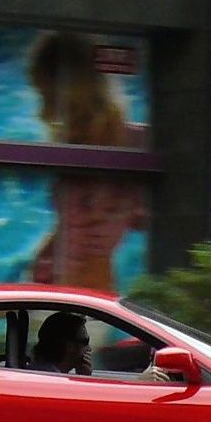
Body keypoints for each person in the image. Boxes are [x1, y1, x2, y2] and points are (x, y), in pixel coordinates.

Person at [26, 32, 148, 292]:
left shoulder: (123, 148)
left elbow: (93, 243)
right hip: (70, 287)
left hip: (82, 293)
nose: (42, 112)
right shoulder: (119, 144)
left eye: (46, 98)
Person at [28, 311, 173, 381]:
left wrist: (84, 377)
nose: (89, 349)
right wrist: (139, 383)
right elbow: (88, 417)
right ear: (69, 346)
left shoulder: (50, 373)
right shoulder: (48, 379)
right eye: (85, 342)